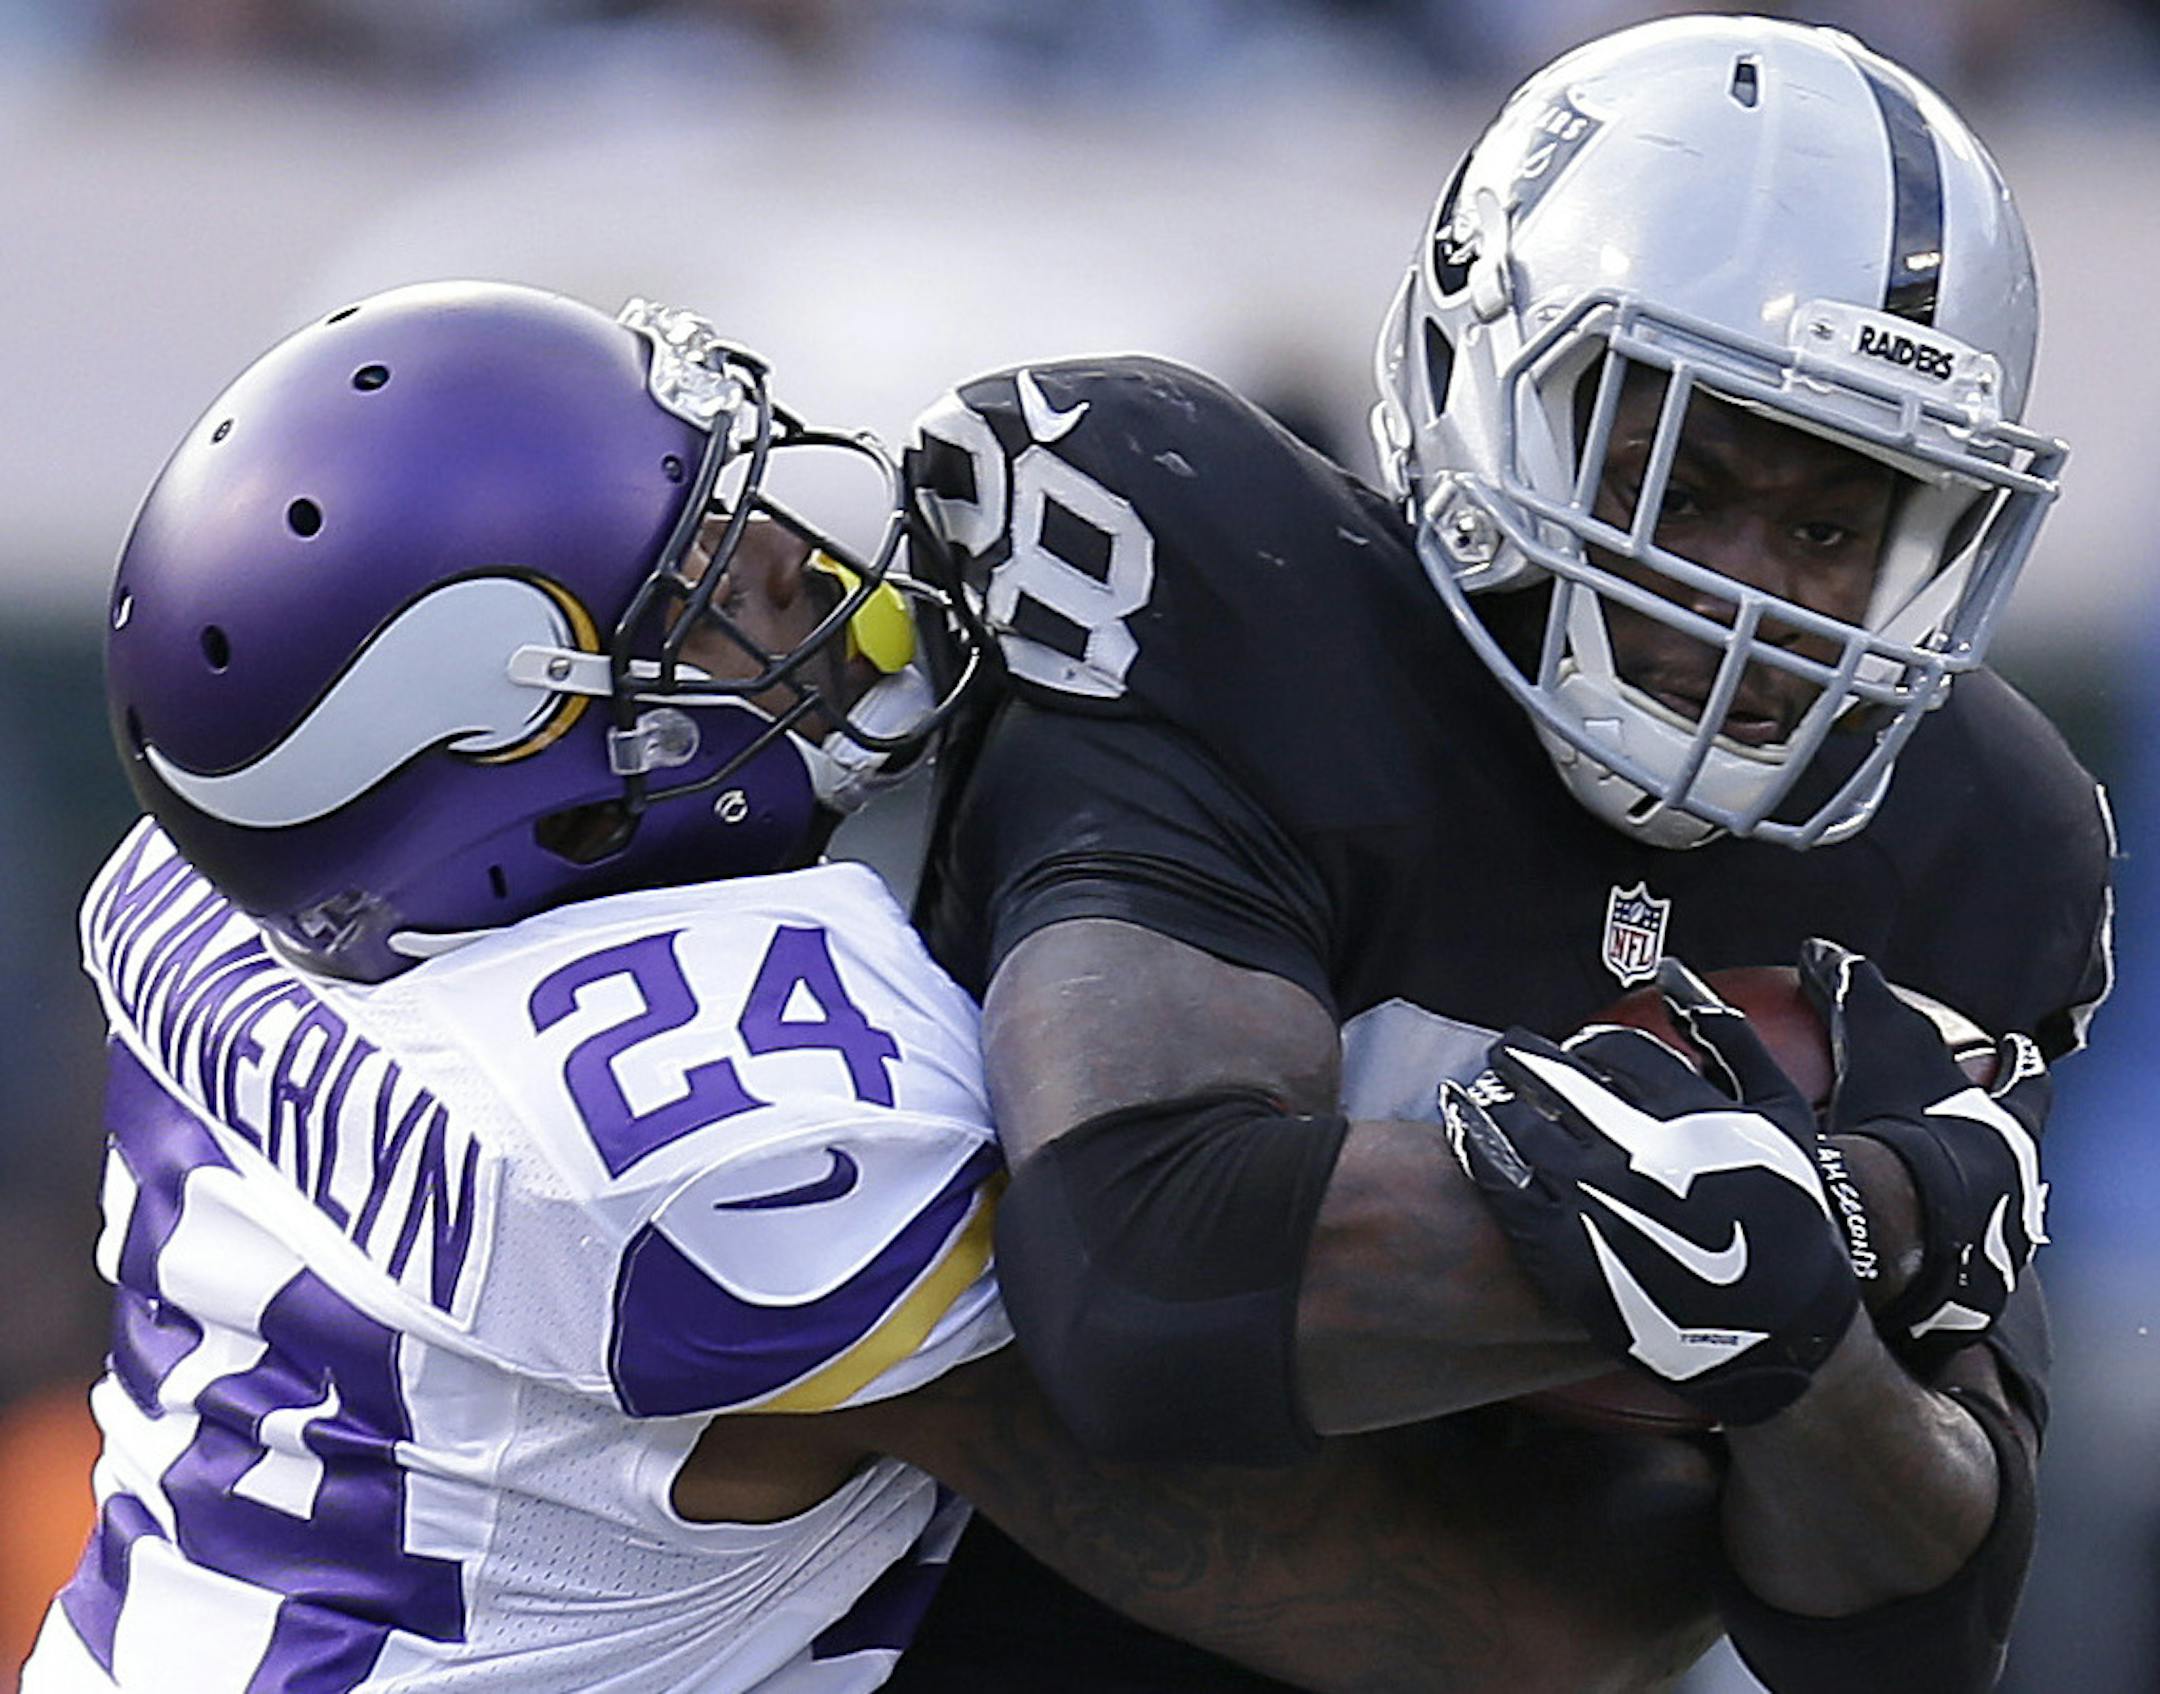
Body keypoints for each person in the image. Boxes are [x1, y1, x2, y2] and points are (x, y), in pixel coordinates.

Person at [23, 280, 1730, 1694]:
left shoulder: (221, 878)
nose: (792, 560)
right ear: (574, 801)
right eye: (701, 591)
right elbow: (1509, 1628)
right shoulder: (725, 1135)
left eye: (735, 502)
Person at [896, 14, 2114, 1693]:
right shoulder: (1251, 610)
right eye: (1677, 481)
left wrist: (1785, 1277)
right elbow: (1143, 1279)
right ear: (1484, 372)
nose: (1745, 593)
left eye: (1831, 527)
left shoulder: (1976, 833)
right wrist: (1861, 1223)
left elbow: (1916, 1626)